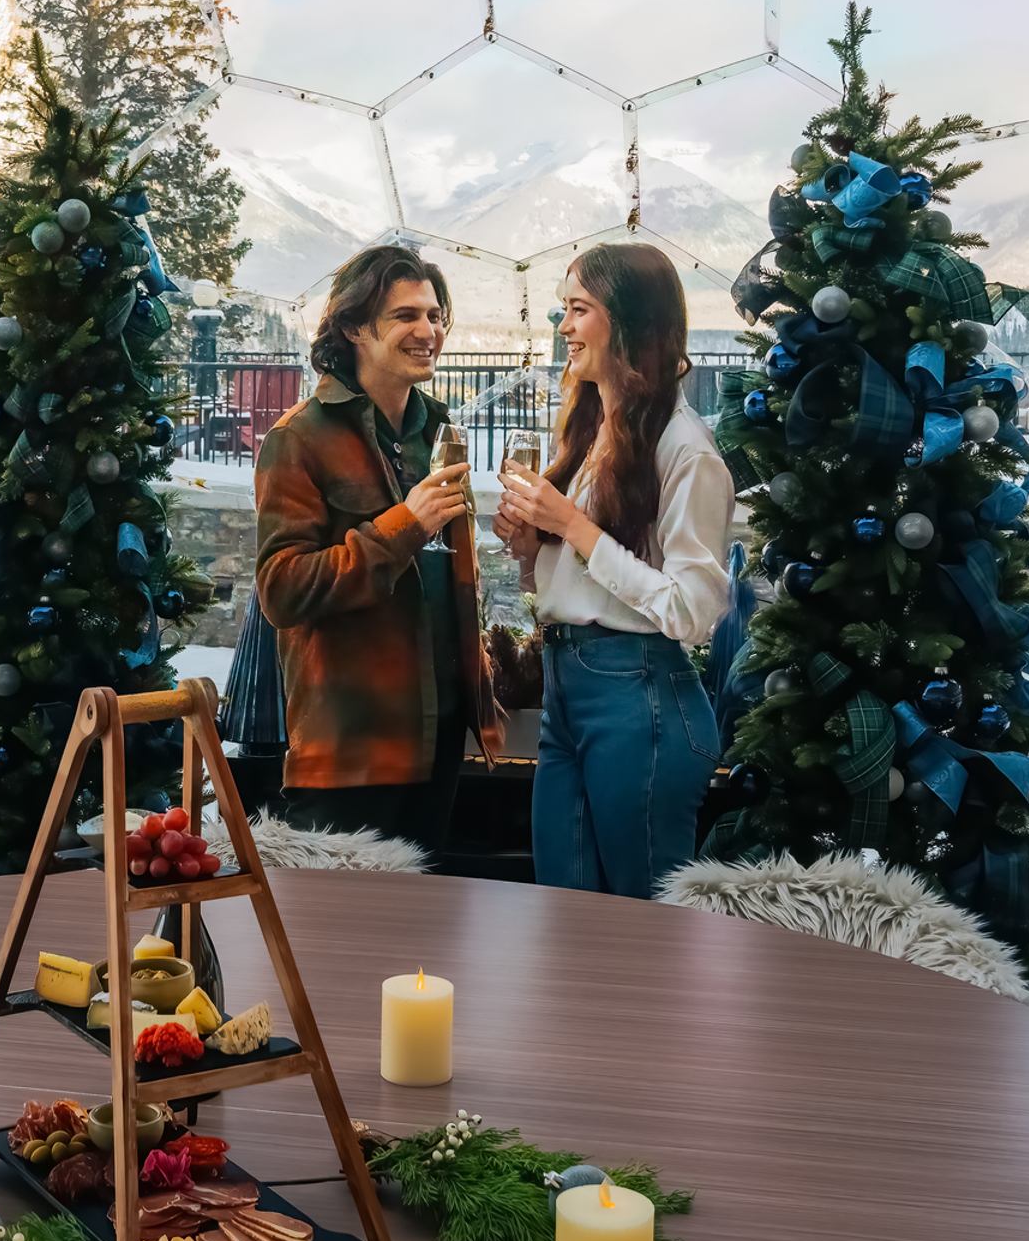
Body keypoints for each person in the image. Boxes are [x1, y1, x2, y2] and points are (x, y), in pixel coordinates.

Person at [495, 243, 733, 898]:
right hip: (566, 688)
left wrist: (572, 527)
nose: (563, 327)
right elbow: (572, 586)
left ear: (629, 325)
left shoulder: (687, 450)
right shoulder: (593, 429)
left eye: (579, 310)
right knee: (561, 916)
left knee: (642, 936)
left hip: (642, 703)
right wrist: (530, 549)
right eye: (562, 310)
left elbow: (694, 609)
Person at [254, 246, 496, 858]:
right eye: (406, 316)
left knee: (422, 945)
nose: (429, 332)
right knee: (339, 944)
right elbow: (282, 589)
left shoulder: (439, 431)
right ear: (355, 327)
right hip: (351, 747)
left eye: (436, 315)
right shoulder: (297, 439)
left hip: (441, 737)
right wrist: (402, 526)